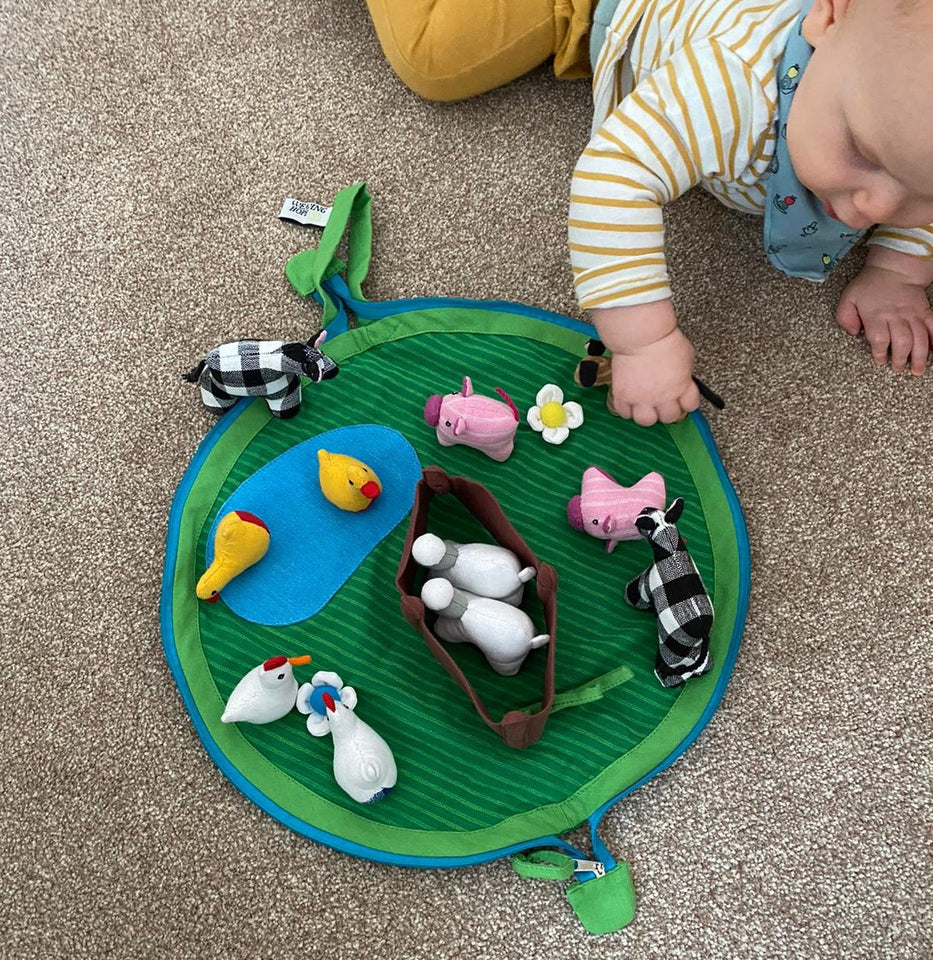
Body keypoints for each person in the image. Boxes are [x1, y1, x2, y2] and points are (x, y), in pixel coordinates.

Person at [363, 0, 933, 425]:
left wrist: (898, 267)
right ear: (827, 20)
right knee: (435, 57)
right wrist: (644, 342)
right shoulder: (735, 86)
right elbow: (616, 173)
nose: (877, 209)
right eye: (861, 149)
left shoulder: (892, 102)